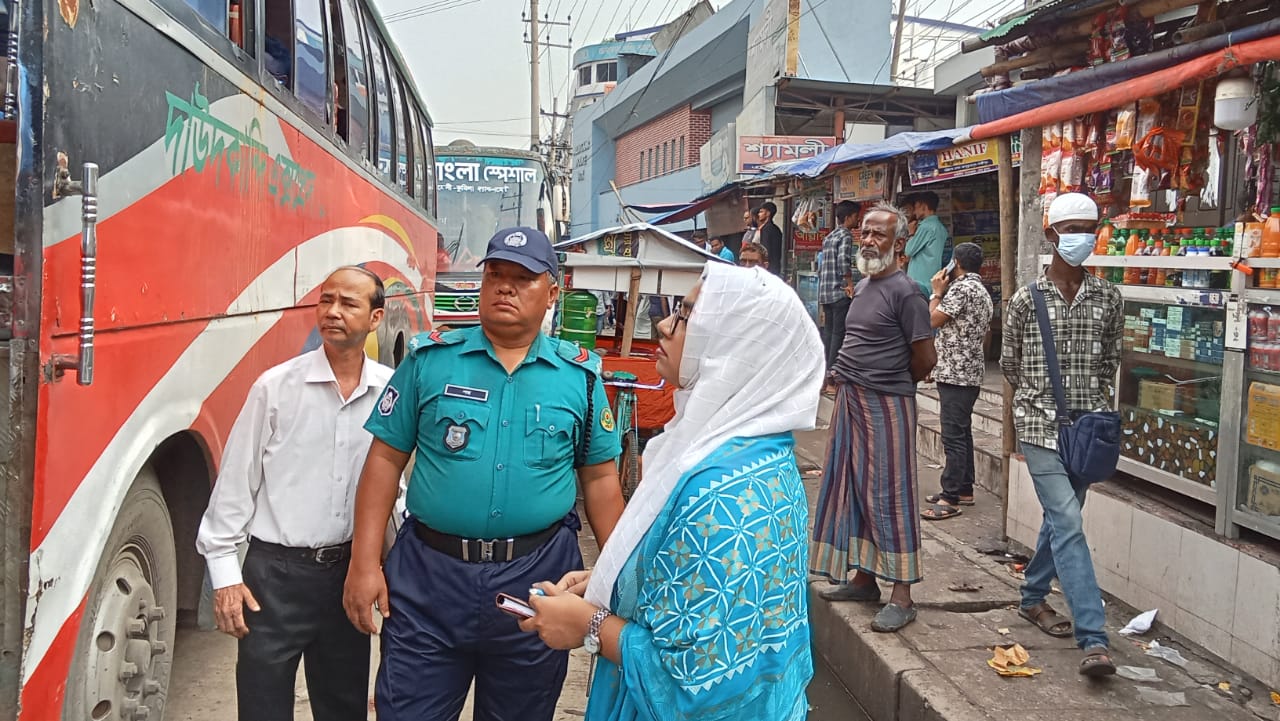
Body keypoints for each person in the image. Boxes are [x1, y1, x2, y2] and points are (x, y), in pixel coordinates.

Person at [519, 262, 825, 721]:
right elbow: (690, 585)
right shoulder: (756, 452)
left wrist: (591, 626)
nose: (664, 324)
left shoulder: (721, 496)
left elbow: (697, 683)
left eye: (686, 316)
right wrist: (618, 582)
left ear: (732, 346)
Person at [343, 227, 626, 721]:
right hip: (430, 577)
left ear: (553, 292)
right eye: (495, 274)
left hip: (537, 582)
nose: (505, 287)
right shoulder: (431, 361)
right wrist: (364, 563)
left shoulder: (578, 378)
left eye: (523, 278)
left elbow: (601, 483)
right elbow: (384, 461)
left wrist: (620, 581)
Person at [195, 266, 392, 721]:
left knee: (343, 707)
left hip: (349, 575)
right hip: (274, 579)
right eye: (327, 300)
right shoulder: (275, 388)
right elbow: (235, 485)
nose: (333, 312)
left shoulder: (390, 392)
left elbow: (396, 493)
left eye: (349, 303)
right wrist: (225, 575)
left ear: (376, 318)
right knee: (263, 706)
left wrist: (387, 566)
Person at [1002, 193, 1122, 677]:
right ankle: (1093, 638)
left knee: (1060, 519)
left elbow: (1110, 361)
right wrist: (1040, 399)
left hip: (1089, 431)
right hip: (1037, 424)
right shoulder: (1025, 300)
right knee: (1070, 523)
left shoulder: (1109, 297)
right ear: (1051, 235)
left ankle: (1032, 596)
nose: (1080, 239)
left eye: (1088, 230)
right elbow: (1009, 362)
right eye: (1070, 229)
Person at [811, 201, 936, 633]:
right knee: (852, 487)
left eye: (878, 234)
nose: (867, 240)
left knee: (890, 493)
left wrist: (888, 381)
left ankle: (903, 595)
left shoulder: (908, 292)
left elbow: (924, 360)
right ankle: (864, 579)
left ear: (899, 244)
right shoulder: (864, 286)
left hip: (888, 403)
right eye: (864, 232)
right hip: (851, 398)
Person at [920, 243, 993, 520]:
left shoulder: (962, 289)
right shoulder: (981, 291)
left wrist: (935, 293)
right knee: (962, 432)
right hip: (969, 370)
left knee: (953, 435)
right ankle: (964, 488)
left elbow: (933, 319)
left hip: (956, 373)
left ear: (955, 263)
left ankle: (950, 496)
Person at [818, 201, 861, 375]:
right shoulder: (845, 236)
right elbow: (844, 261)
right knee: (838, 333)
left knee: (828, 333)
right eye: (856, 216)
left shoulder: (830, 237)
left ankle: (825, 370)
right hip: (838, 292)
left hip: (825, 292)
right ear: (849, 217)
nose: (858, 219)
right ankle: (833, 371)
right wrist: (850, 284)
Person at [904, 191, 948, 297]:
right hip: (931, 281)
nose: (914, 212)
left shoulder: (926, 227)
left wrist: (911, 233)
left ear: (924, 206)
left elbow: (908, 251)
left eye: (916, 207)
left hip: (920, 282)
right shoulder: (940, 227)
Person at [756, 201, 784, 276]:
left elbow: (765, 250)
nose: (759, 214)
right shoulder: (776, 229)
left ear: (768, 213)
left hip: (768, 268)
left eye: (761, 212)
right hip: (776, 267)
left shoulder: (766, 229)